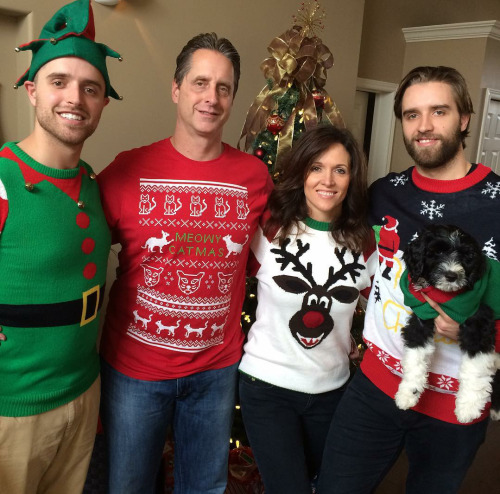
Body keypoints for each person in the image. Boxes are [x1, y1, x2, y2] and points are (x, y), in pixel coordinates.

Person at [98, 32, 273, 494]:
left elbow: (281, 258)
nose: (210, 98)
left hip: (214, 372)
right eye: (199, 83)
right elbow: (78, 250)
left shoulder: (255, 177)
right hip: (134, 372)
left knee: (205, 487)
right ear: (176, 90)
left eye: (223, 87)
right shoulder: (126, 171)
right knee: (128, 486)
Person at [318, 66, 500, 494]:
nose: (424, 126)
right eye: (411, 114)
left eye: (439, 111)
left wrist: (481, 331)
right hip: (375, 385)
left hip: (454, 406)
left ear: (465, 118)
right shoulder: (384, 193)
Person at [0, 0, 122, 492]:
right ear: (32, 91)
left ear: (102, 103)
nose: (75, 97)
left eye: (90, 88)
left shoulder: (93, 183)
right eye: (59, 82)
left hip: (82, 392)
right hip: (14, 408)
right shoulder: (3, 179)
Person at [238, 125, 375, 494]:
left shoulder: (364, 243)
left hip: (332, 391)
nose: (327, 180)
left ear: (351, 178)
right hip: (267, 388)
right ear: (301, 172)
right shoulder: (269, 230)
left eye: (340, 170)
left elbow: (383, 310)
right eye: (316, 167)